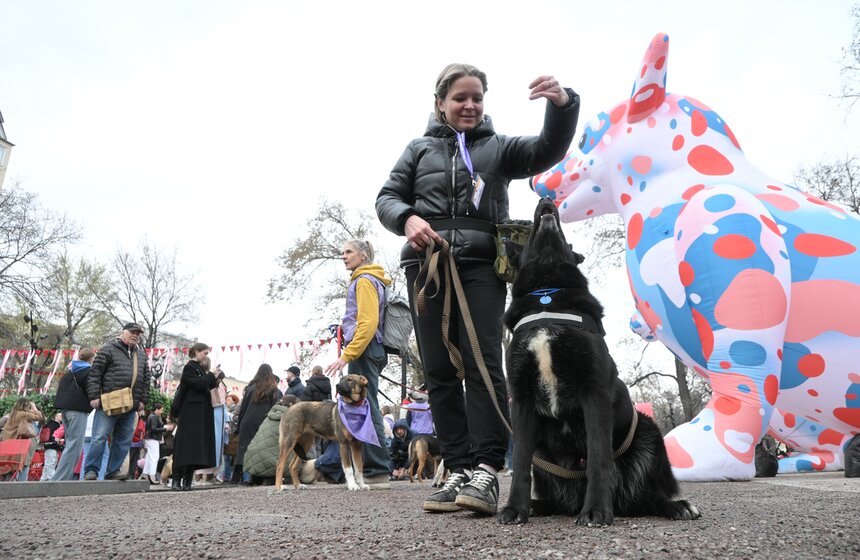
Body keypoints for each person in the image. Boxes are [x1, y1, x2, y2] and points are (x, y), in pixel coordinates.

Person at [375, 64, 579, 515]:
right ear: (440, 103)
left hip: (482, 266)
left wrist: (563, 107)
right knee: (439, 371)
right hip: (426, 268)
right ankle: (459, 468)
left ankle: (487, 470)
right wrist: (406, 218)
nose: (469, 106)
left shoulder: (499, 148)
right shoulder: (417, 149)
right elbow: (386, 198)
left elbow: (548, 148)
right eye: (460, 98)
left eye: (477, 98)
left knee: (483, 363)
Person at [324, 239, 393, 489]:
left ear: (363, 256)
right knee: (368, 404)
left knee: (367, 407)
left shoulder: (364, 281)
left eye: (349, 252)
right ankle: (376, 467)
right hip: (371, 348)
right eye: (342, 252)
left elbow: (368, 323)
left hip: (364, 349)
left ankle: (377, 469)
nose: (344, 256)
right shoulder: (369, 279)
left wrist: (346, 355)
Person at [84, 322, 150, 481]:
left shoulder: (141, 355)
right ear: (123, 332)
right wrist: (94, 396)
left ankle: (113, 471)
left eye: (138, 333)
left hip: (130, 405)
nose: (135, 335)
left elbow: (146, 380)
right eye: (132, 332)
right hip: (109, 404)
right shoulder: (108, 349)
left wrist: (143, 401)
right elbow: (95, 374)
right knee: (100, 437)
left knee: (123, 440)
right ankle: (91, 470)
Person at [170, 343, 221, 491]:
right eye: (205, 353)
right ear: (197, 352)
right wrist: (211, 375)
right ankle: (177, 479)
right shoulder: (190, 367)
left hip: (200, 413)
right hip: (190, 412)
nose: (206, 356)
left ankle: (187, 480)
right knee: (184, 446)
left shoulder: (198, 369)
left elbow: (205, 386)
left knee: (195, 447)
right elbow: (198, 384)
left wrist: (214, 378)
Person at [230, 363, 282, 484]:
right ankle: (258, 477)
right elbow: (276, 408)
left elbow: (242, 408)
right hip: (264, 423)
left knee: (243, 449)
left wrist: (239, 425)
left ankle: (236, 478)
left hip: (247, 422)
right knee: (261, 449)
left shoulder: (250, 388)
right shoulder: (274, 389)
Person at [51, 348, 95, 481]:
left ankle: (63, 477)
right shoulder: (87, 371)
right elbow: (91, 389)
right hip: (78, 411)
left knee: (70, 444)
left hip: (65, 410)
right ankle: (59, 480)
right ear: (91, 359)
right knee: (74, 446)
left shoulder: (70, 371)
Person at [0, 397, 44, 481]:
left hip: (9, 445)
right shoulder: (22, 414)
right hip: (19, 445)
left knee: (9, 468)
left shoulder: (13, 414)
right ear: (26, 405)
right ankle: (20, 486)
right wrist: (34, 408)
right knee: (23, 464)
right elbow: (39, 417)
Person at [141, 403, 165, 484]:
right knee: (154, 457)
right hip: (153, 439)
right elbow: (154, 429)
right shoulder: (154, 417)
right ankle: (152, 475)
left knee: (149, 456)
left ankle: (145, 474)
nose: (162, 411)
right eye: (161, 409)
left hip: (150, 438)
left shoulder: (152, 416)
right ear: (157, 409)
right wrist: (164, 428)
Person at [39, 412, 64, 481]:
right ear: (55, 417)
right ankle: (52, 478)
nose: (61, 417)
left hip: (52, 445)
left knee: (50, 462)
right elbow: (52, 435)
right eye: (60, 416)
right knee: (51, 462)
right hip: (51, 445)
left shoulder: (55, 424)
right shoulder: (53, 424)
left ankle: (44, 478)